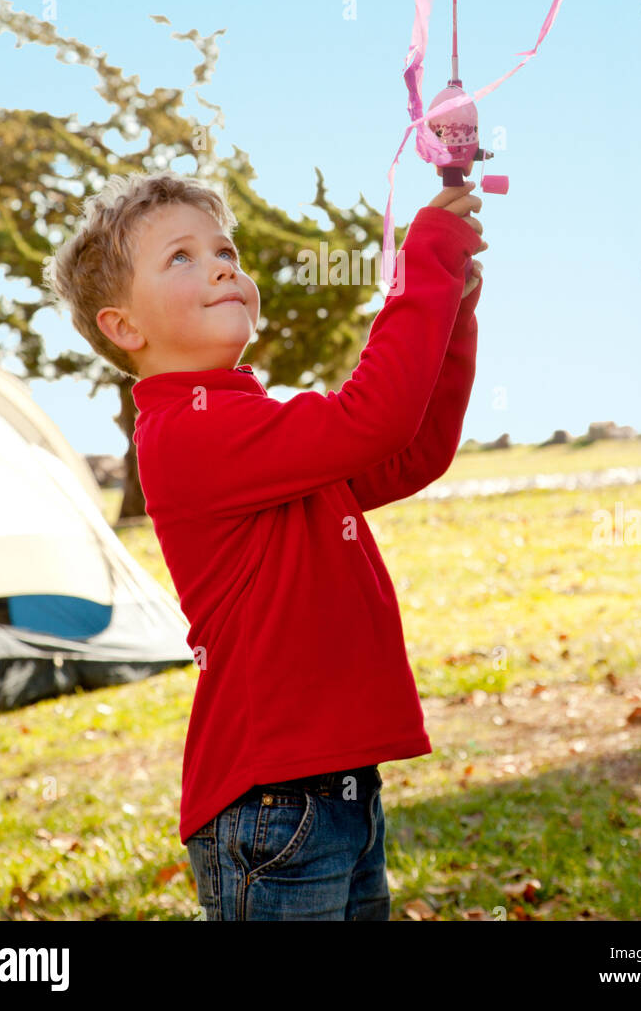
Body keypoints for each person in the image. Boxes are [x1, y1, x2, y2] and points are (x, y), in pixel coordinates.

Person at [43, 169, 486, 920]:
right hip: (270, 803)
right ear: (123, 328)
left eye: (225, 251)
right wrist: (423, 269)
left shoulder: (253, 425)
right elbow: (370, 419)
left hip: (333, 785)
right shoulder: (188, 434)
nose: (223, 265)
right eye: (180, 257)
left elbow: (408, 452)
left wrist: (450, 314)